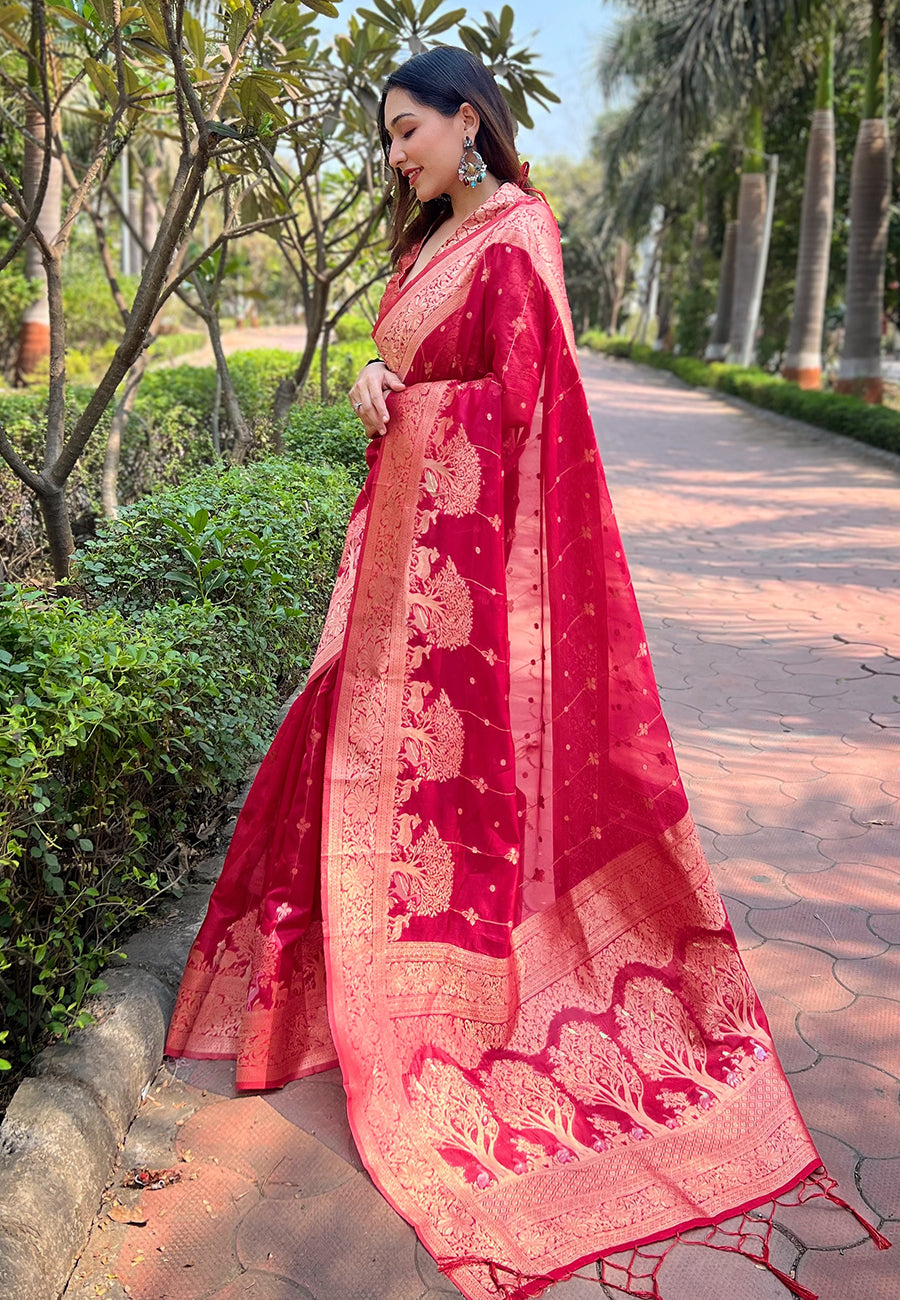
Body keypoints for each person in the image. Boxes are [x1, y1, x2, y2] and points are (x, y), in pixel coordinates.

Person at [165, 46, 887, 1300]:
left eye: (408, 131)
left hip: (458, 580)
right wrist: (369, 380)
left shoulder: (517, 235)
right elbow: (413, 373)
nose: (395, 155)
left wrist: (417, 409)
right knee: (339, 760)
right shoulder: (437, 237)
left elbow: (526, 403)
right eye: (384, 137)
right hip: (399, 563)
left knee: (427, 789)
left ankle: (445, 1006)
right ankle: (338, 993)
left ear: (468, 118)